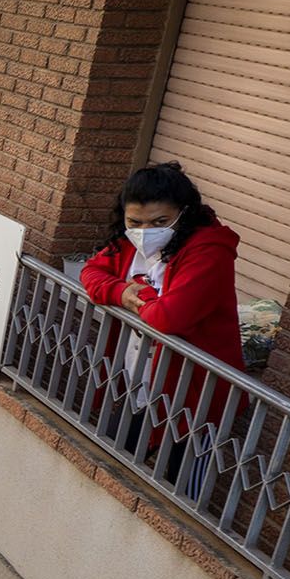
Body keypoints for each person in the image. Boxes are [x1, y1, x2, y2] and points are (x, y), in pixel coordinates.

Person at [80, 162, 243, 494]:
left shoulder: (209, 252)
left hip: (193, 396)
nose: (145, 231)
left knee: (183, 494)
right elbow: (92, 273)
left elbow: (170, 316)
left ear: (183, 214)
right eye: (135, 222)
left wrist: (138, 295)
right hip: (140, 384)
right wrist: (121, 292)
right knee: (106, 465)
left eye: (159, 222)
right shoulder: (128, 243)